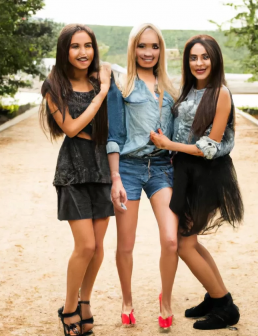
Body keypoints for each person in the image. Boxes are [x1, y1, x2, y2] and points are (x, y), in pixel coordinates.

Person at [150, 34, 244, 331]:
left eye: (205, 57)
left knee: (184, 244)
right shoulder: (189, 91)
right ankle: (217, 299)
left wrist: (168, 145)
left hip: (207, 174)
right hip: (185, 173)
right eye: (193, 57)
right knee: (189, 241)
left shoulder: (221, 93)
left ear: (215, 60)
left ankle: (225, 306)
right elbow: (183, 131)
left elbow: (210, 148)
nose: (199, 63)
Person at [40, 24, 114, 336]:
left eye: (88, 46)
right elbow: (70, 128)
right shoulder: (54, 86)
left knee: (98, 249)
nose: (83, 52)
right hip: (72, 172)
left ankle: (85, 304)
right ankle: (69, 308)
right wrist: (101, 95)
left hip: (101, 171)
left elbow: (114, 127)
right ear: (64, 51)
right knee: (85, 245)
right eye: (75, 46)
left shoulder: (102, 79)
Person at [107, 23, 178, 328]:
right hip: (129, 170)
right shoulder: (121, 87)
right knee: (126, 244)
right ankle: (127, 300)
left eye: (154, 46)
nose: (148, 53)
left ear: (161, 50)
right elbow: (113, 135)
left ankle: (167, 301)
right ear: (133, 48)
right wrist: (116, 178)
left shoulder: (172, 88)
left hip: (163, 169)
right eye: (142, 46)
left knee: (171, 240)